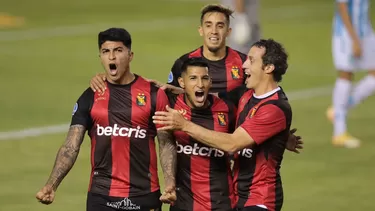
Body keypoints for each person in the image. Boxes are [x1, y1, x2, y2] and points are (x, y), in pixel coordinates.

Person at [35, 28, 177, 211]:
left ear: (130, 55)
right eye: (106, 52)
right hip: (101, 197)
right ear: (100, 57)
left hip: (144, 196)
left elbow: (166, 143)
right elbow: (70, 147)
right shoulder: (90, 96)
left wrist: (170, 183)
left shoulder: (153, 94)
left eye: (118, 50)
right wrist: (51, 185)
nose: (112, 57)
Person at [154, 39, 292, 211]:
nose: (244, 65)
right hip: (238, 196)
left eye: (251, 60)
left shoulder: (275, 108)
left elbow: (232, 143)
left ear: (269, 67)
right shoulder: (245, 94)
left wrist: (184, 125)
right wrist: (180, 89)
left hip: (260, 199)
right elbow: (211, 95)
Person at [89, 4, 247, 95]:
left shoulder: (244, 62)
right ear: (200, 30)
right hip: (194, 146)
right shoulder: (184, 63)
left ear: (228, 32)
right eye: (208, 25)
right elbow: (168, 96)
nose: (214, 31)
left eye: (220, 26)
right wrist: (108, 79)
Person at [166, 57, 237, 211]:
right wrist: (102, 78)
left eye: (204, 78)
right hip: (183, 203)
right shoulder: (170, 106)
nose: (200, 84)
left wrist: (282, 138)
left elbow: (248, 133)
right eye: (193, 78)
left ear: (210, 82)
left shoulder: (227, 108)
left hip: (221, 203)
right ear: (181, 82)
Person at [327, 0, 375, 148]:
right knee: (346, 74)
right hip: (346, 35)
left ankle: (340, 109)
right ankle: (339, 133)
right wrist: (354, 39)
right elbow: (342, 7)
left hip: (365, 32)